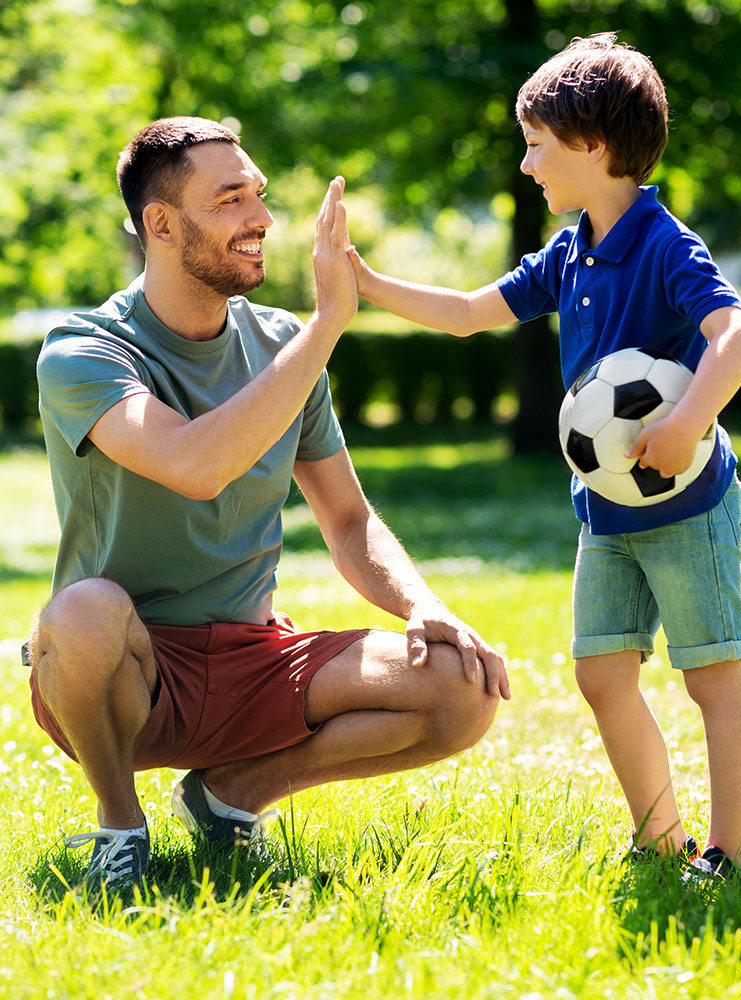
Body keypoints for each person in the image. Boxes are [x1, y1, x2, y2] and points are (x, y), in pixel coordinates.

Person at [26, 116, 510, 890]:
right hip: (125, 667)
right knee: (83, 608)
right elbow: (195, 465)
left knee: (461, 686)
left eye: (259, 194)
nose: (261, 219)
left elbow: (348, 521)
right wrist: (325, 328)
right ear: (160, 223)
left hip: (255, 658)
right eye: (229, 200)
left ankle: (231, 796)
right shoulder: (85, 351)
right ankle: (120, 823)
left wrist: (423, 604)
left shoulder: (284, 348)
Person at [346, 34, 741, 881]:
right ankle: (661, 840)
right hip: (606, 510)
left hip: (686, 505)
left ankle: (733, 855)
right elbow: (468, 310)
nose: (528, 162)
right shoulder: (570, 250)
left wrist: (687, 418)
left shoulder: (665, 245)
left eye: (537, 142)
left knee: (711, 677)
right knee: (602, 674)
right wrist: (364, 282)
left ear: (594, 146)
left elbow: (737, 337)